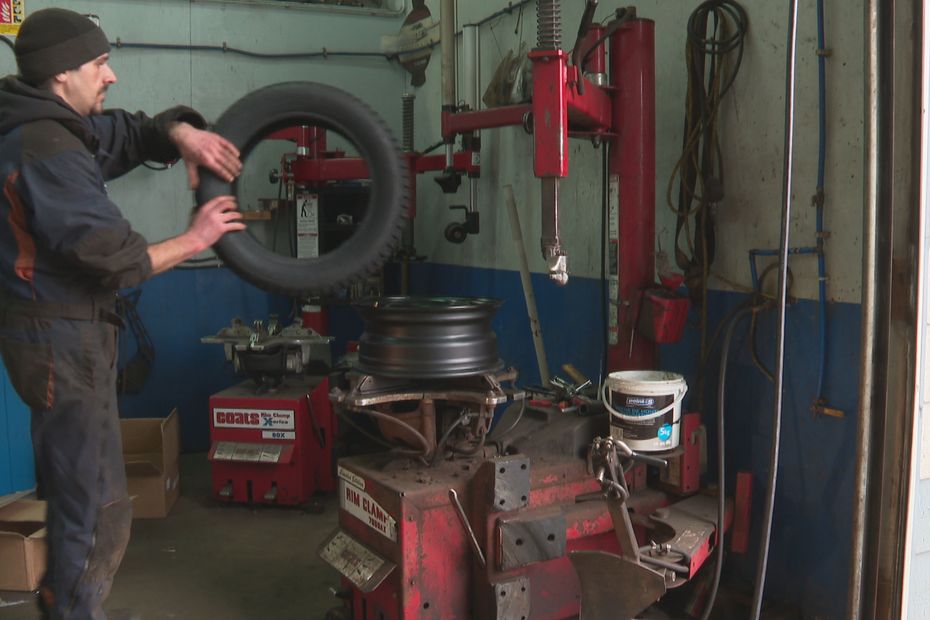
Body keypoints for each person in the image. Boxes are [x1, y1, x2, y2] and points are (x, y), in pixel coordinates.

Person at [0, 8, 245, 619]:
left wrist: (181, 133)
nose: (110, 76)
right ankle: (75, 610)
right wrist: (195, 239)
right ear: (62, 74)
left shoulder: (48, 120)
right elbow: (113, 259)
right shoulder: (46, 147)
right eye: (99, 64)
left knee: (74, 486)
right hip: (59, 335)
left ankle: (66, 599)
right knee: (98, 500)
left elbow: (130, 134)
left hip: (63, 332)